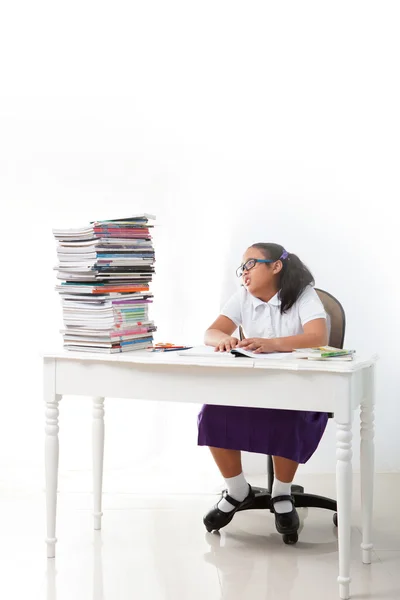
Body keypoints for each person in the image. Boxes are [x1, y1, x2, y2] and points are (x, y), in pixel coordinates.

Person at [198, 242, 329, 536]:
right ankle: (237, 490)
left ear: (275, 266)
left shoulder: (303, 295)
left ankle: (281, 493)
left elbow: (319, 335)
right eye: (241, 268)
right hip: (254, 386)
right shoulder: (242, 296)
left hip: (299, 388)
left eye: (250, 265)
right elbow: (211, 331)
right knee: (213, 413)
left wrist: (273, 344)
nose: (243, 273)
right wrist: (224, 339)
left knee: (287, 416)